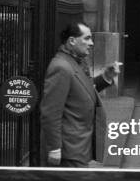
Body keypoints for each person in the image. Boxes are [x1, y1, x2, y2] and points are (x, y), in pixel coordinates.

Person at [40, 22, 120, 167]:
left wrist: (106, 77)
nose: (91, 43)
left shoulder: (76, 62)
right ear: (72, 41)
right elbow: (50, 112)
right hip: (69, 150)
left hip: (80, 146)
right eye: (87, 38)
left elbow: (83, 89)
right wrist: (55, 148)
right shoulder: (61, 67)